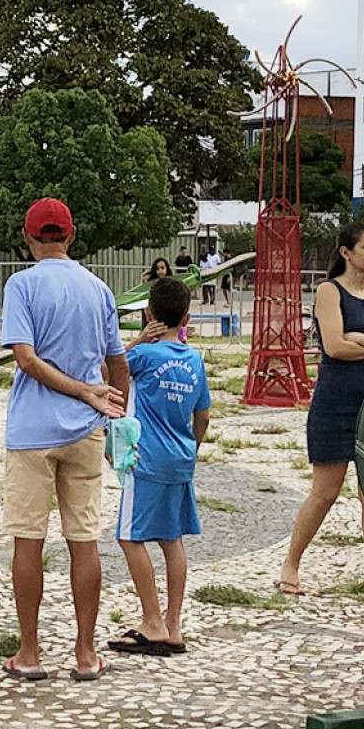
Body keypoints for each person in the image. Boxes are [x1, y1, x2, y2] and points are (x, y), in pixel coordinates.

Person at [0, 198, 130, 681]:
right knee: (84, 541)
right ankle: (85, 651)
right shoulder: (98, 288)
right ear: (71, 235)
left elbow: (26, 360)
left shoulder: (22, 284)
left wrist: (81, 390)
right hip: (85, 429)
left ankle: (29, 652)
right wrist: (113, 408)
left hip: (33, 429)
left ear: (29, 237)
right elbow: (118, 363)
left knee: (28, 541)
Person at [275, 223, 364, 604]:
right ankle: (291, 565)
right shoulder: (328, 291)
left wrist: (363, 339)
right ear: (346, 252)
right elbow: (334, 347)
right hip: (334, 403)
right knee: (325, 492)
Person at [110, 277, 212, 658]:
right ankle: (174, 622)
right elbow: (203, 414)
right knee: (172, 539)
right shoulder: (194, 360)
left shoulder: (143, 356)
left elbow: (111, 369)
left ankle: (151, 620)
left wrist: (136, 341)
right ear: (186, 316)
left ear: (149, 313)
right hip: (181, 457)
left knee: (129, 536)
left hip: (146, 458)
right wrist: (192, 447)